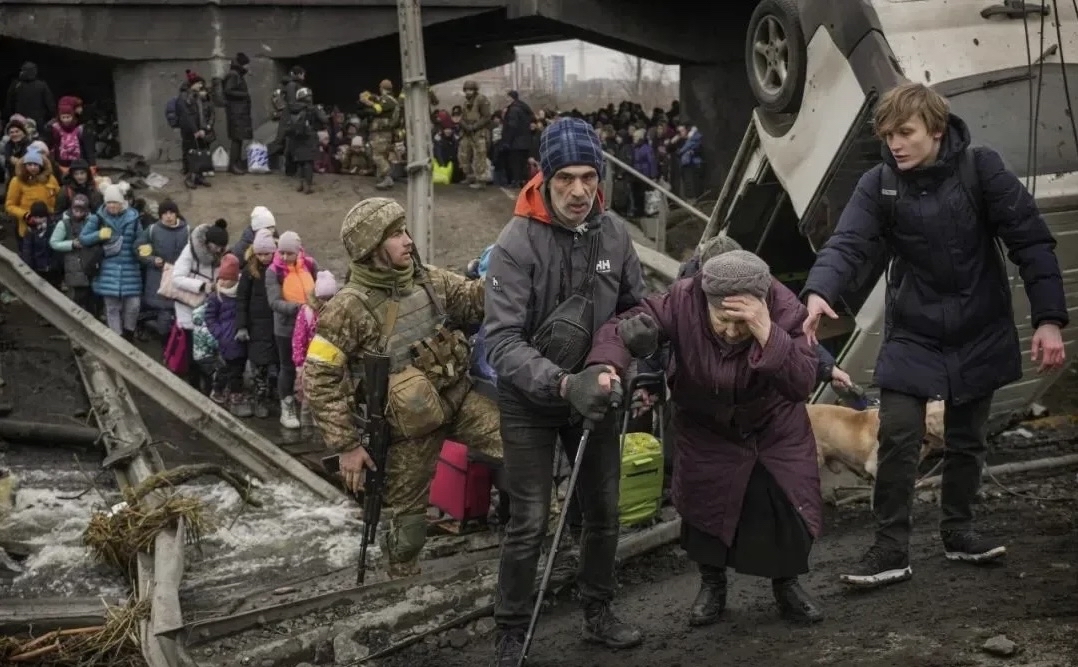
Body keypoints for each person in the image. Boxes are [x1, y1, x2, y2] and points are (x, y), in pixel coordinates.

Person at [800, 82, 1068, 588]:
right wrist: (819, 291)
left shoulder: (981, 169)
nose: (894, 144)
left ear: (937, 130)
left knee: (966, 439)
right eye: (887, 135)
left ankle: (959, 531)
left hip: (979, 324)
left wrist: (1049, 319)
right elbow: (849, 242)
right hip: (914, 329)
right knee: (898, 432)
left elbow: (1030, 240)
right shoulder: (879, 184)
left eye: (905, 133)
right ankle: (889, 550)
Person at [482, 117, 646, 666]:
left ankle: (598, 611)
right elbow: (501, 341)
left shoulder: (615, 235)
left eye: (589, 177)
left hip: (595, 391)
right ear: (544, 178)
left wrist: (628, 352)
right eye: (566, 179)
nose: (579, 191)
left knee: (603, 510)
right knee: (529, 519)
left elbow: (633, 307)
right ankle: (510, 627)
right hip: (530, 399)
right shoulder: (515, 244)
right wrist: (560, 383)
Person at [590, 250, 825, 626]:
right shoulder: (682, 300)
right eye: (723, 322)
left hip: (771, 427)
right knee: (704, 509)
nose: (732, 333)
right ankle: (712, 585)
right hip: (705, 425)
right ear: (706, 301)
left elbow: (801, 384)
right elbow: (623, 325)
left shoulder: (784, 308)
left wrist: (768, 331)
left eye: (742, 324)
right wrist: (608, 362)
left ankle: (787, 584)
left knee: (783, 507)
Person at [303, 197, 503, 578]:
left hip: (458, 399)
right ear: (371, 248)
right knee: (408, 530)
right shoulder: (347, 308)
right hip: (408, 431)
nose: (407, 240)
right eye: (395, 235)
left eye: (404, 230)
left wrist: (506, 270)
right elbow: (318, 378)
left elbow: (474, 301)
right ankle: (401, 590)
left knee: (523, 448)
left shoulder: (427, 278)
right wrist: (346, 446)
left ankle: (545, 540)